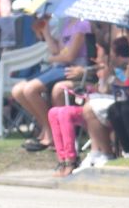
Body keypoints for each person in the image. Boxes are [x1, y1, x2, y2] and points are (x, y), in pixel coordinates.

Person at [11, 14, 90, 153]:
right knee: (18, 91)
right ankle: (47, 128)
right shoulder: (67, 22)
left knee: (30, 90)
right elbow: (56, 50)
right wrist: (45, 30)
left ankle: (50, 133)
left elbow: (69, 57)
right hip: (60, 67)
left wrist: (51, 59)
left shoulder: (83, 24)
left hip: (72, 68)